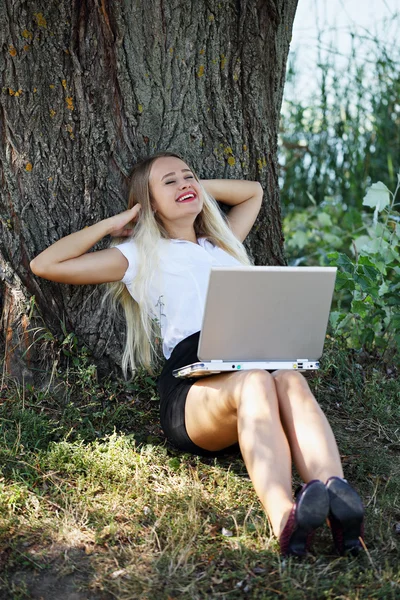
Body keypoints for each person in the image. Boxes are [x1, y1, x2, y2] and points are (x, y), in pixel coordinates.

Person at [30, 151, 365, 557]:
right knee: (257, 383)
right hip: (194, 389)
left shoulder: (222, 245)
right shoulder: (138, 256)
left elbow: (253, 193)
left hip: (254, 359)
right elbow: (45, 264)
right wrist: (115, 223)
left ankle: (338, 501)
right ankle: (285, 518)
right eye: (168, 181)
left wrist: (192, 192)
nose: (184, 183)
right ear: (148, 203)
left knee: (290, 379)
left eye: (188, 176)